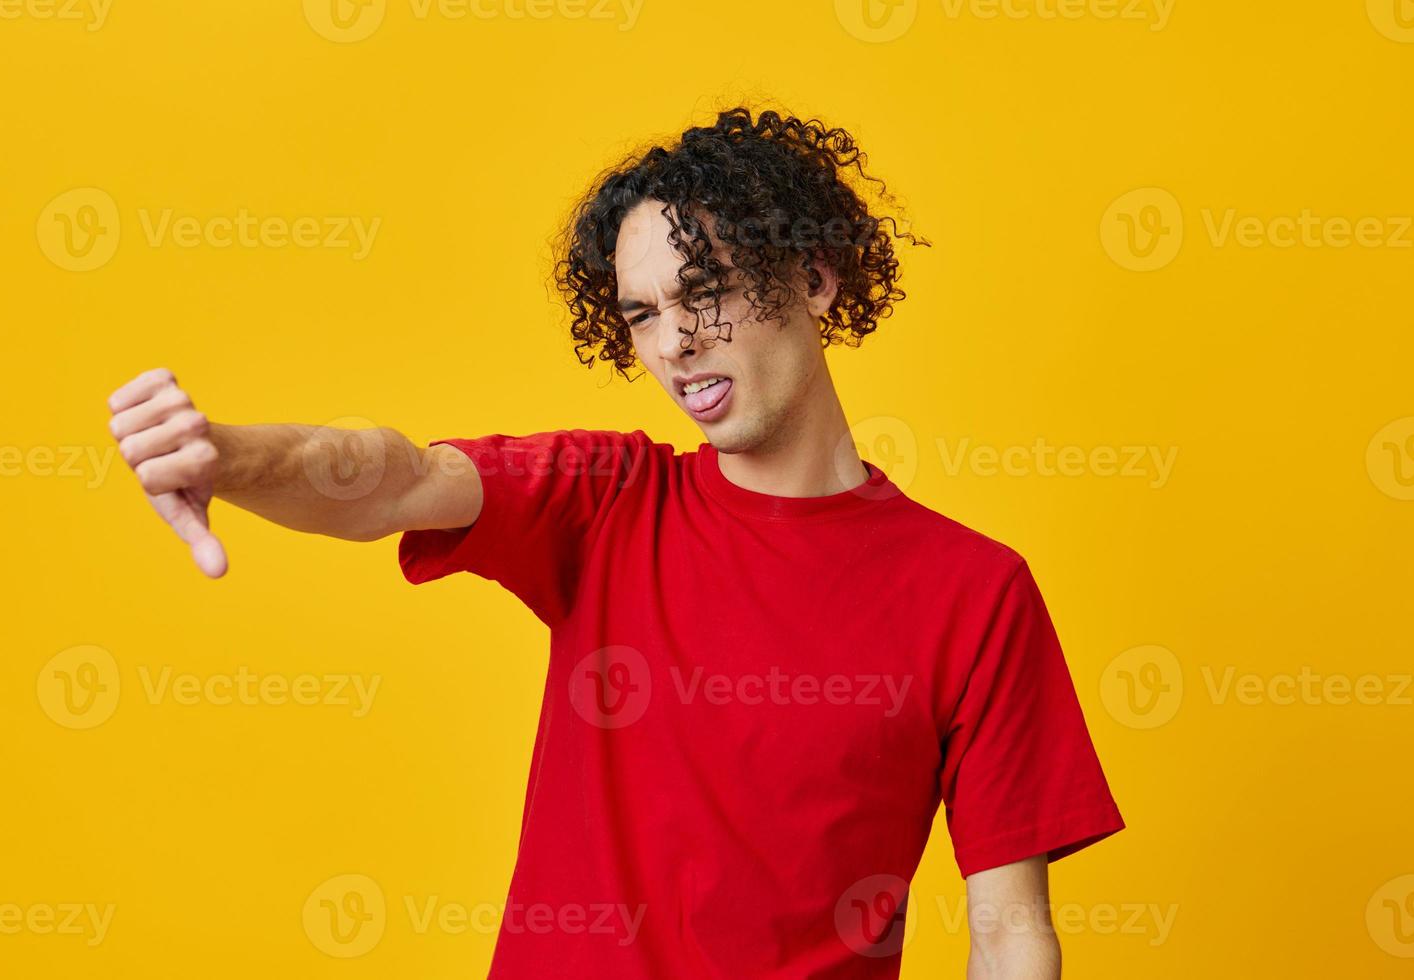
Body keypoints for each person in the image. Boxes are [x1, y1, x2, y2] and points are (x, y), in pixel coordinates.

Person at [106, 107, 1124, 979]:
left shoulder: (974, 590)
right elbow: (397, 475)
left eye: (708, 289)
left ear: (815, 278)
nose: (676, 342)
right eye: (644, 312)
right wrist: (230, 456)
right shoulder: (605, 499)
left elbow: (1009, 929)